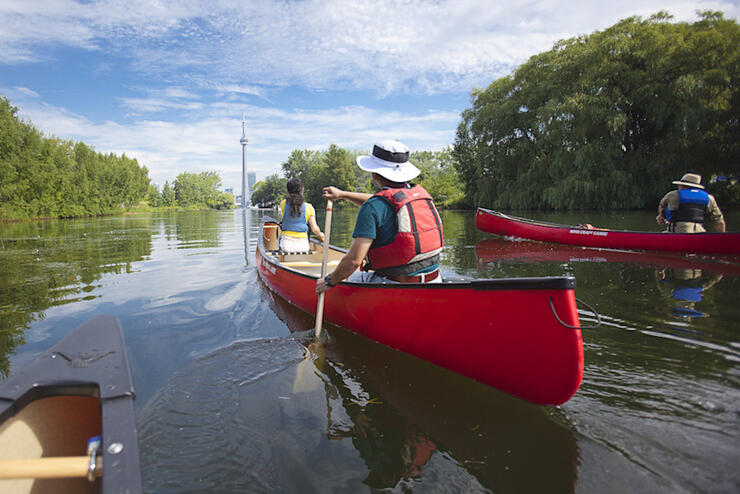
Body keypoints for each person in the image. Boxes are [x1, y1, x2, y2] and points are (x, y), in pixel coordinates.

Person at [316, 140, 444, 294]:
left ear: (375, 173)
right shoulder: (417, 194)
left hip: (395, 285)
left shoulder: (373, 207)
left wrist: (329, 281)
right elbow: (381, 200)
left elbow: (354, 261)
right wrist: (342, 195)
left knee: (345, 278)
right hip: (435, 281)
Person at [656, 173, 726, 233]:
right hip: (700, 233)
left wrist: (661, 216)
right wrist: (722, 238)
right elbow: (719, 221)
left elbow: (662, 206)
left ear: (681, 186)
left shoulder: (673, 195)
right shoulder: (709, 198)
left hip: (677, 233)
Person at [279, 178, 324, 252]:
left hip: (286, 245)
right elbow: (315, 229)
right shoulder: (309, 207)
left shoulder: (283, 204)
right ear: (302, 189)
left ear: (288, 191)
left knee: (280, 241)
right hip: (303, 247)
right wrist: (321, 235)